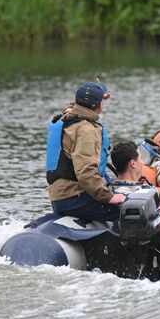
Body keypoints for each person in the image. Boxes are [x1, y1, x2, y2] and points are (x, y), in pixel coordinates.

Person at [46, 81, 126, 222]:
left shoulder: (68, 115)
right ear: (99, 105)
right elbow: (85, 171)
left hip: (60, 197)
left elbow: (76, 104)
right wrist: (109, 197)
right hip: (73, 199)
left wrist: (97, 93)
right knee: (129, 211)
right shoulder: (85, 131)